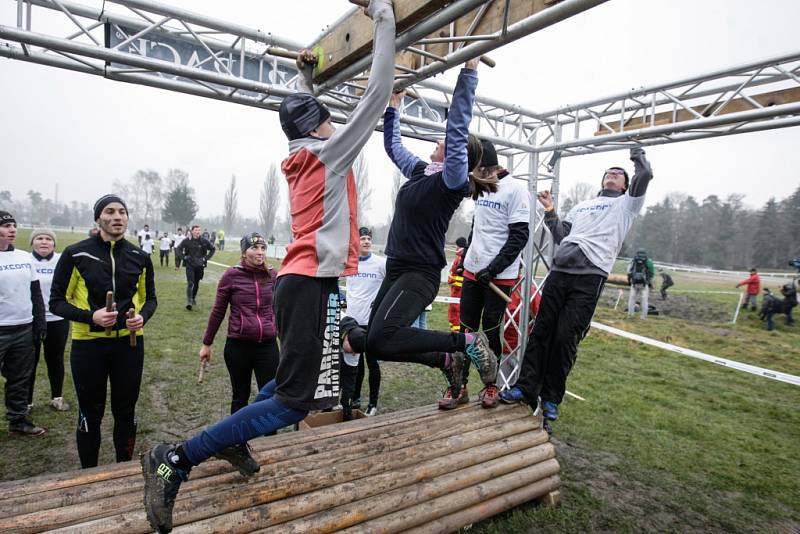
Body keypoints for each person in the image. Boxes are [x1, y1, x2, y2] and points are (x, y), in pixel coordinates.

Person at [140, 3, 396, 532]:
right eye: (327, 116)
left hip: (312, 283)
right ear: (318, 126)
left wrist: (304, 74)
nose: (335, 120)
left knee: (285, 380)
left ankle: (231, 441)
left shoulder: (303, 153)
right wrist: (386, 17)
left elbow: (302, 108)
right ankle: (177, 458)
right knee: (294, 401)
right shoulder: (326, 153)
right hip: (306, 284)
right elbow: (375, 97)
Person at [340, 59, 499, 413]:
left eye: (442, 143)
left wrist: (469, 73)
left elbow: (458, 128)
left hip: (420, 272)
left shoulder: (451, 180)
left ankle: (467, 342)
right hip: (397, 269)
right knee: (377, 344)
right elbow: (393, 148)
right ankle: (447, 361)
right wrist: (393, 107)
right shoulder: (422, 172)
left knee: (384, 335)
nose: (437, 144)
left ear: (457, 153)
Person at [500, 148, 654, 434]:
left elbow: (645, 174)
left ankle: (551, 398)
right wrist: (550, 212)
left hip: (589, 276)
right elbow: (561, 234)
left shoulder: (626, 205)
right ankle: (525, 388)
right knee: (541, 332)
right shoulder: (583, 205)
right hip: (560, 272)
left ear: (625, 185)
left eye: (619, 174)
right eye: (609, 172)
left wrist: (636, 151)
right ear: (602, 180)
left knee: (565, 337)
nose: (613, 174)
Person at [50, 195, 157, 467]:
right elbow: (56, 302)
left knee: (126, 410)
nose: (117, 216)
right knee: (90, 412)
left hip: (129, 346)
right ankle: (89, 472)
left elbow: (151, 299)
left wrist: (141, 318)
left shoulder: (140, 257)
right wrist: (91, 317)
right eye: (110, 211)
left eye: (122, 212)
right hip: (88, 346)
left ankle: (123, 468)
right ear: (98, 218)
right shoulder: (75, 254)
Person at [452, 139, 530, 409]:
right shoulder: (482, 187)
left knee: (490, 331)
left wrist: (493, 269)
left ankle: (490, 385)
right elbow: (479, 226)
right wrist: (467, 259)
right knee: (465, 329)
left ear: (490, 167)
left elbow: (519, 236)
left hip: (500, 275)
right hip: (474, 272)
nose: (474, 176)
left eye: (477, 170)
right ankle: (458, 386)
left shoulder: (517, 189)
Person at [199, 233, 278, 414]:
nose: (260, 252)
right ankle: (238, 441)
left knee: (270, 397)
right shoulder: (231, 275)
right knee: (240, 396)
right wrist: (207, 344)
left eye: (263, 248)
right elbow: (218, 311)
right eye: (254, 248)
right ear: (244, 252)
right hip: (238, 346)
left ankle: (271, 439)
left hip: (267, 346)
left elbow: (282, 308)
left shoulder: (273, 275)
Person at [0, 211, 47, 436]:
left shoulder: (23, 256)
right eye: (6, 225)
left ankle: (18, 420)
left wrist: (39, 322)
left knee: (19, 378)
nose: (12, 229)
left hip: (23, 328)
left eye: (14, 225)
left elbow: (35, 292)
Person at [341, 227, 385, 419]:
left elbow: (392, 282)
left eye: (368, 238)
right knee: (354, 366)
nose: (366, 241)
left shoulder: (381, 264)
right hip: (352, 323)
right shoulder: (349, 263)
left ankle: (373, 403)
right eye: (362, 238)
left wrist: (382, 301)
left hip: (372, 323)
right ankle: (355, 398)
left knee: (372, 364)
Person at [28, 229, 71, 412]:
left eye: (48, 239)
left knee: (55, 359)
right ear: (32, 243)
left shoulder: (63, 260)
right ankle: (26, 401)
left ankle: (57, 397)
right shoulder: (24, 260)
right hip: (31, 320)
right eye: (39, 238)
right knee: (29, 361)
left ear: (54, 244)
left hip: (57, 319)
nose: (44, 242)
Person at [176, 225, 215, 310]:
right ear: (192, 231)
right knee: (190, 283)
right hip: (190, 265)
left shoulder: (204, 241)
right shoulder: (187, 241)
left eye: (199, 230)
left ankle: (193, 297)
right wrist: (184, 257)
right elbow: (178, 249)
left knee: (196, 283)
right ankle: (189, 302)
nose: (198, 232)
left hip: (200, 265)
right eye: (196, 230)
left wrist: (206, 258)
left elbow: (213, 249)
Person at [446, 237, 468, 332]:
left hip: (457, 290)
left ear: (458, 245)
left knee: (455, 313)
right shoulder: (463, 256)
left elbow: (457, 275)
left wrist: (451, 281)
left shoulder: (459, 257)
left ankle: (457, 334)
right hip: (460, 289)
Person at [627, 248, 654, 319]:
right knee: (644, 301)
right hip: (644, 284)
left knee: (632, 299)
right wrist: (648, 281)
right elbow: (652, 273)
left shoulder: (633, 260)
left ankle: (630, 315)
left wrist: (630, 280)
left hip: (634, 283)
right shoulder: (648, 261)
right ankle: (643, 317)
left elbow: (629, 271)